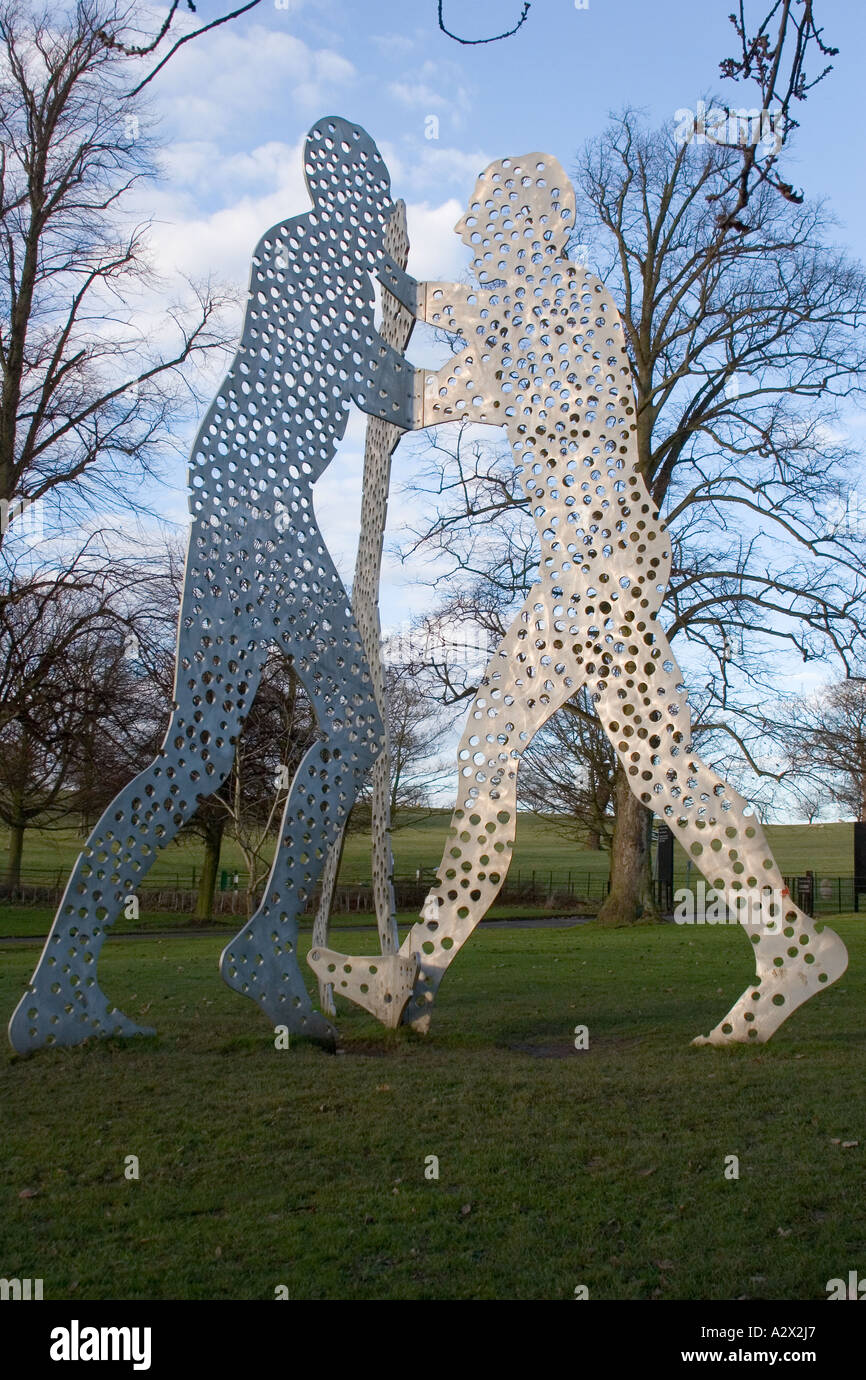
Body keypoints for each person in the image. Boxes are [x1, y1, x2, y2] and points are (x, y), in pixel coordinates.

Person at [311, 152, 848, 1045]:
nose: (475, 234)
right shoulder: (534, 306)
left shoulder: (567, 306)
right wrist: (401, 287)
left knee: (593, 763)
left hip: (600, 575)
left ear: (532, 226)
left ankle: (785, 941)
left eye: (489, 219)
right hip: (586, 576)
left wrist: (406, 389)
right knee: (591, 763)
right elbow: (478, 319)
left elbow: (520, 393)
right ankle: (416, 982)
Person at [9, 118, 416, 1055]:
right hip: (252, 512)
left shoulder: (330, 267)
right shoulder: (304, 256)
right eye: (369, 199)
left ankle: (114, 973)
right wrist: (432, 320)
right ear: (338, 196)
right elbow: (385, 391)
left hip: (263, 510)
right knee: (262, 745)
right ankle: (228, 951)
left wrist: (405, 301)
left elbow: (378, 380)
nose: (376, 218)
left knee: (248, 749)